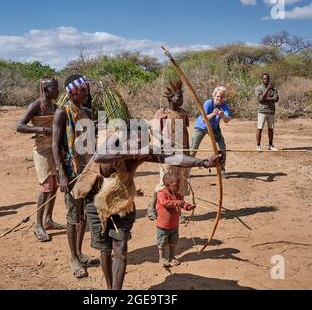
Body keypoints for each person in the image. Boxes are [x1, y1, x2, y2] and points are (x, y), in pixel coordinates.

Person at [71, 131, 224, 289]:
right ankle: (110, 288)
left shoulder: (142, 152)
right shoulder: (113, 144)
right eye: (136, 143)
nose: (140, 148)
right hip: (97, 202)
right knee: (105, 250)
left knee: (121, 247)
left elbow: (172, 157)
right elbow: (99, 157)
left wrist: (204, 162)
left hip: (123, 201)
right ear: (125, 140)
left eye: (143, 144)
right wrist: (131, 152)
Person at [52, 74, 97, 279]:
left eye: (87, 90)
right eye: (83, 90)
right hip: (71, 172)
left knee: (85, 214)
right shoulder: (62, 113)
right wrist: (61, 174)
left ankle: (79, 252)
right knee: (73, 216)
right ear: (72, 92)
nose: (87, 93)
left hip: (88, 169)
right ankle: (73, 258)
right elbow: (55, 145)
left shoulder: (86, 111)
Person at [16, 77, 66, 242]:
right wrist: (41, 129)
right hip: (41, 152)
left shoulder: (54, 106)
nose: (58, 92)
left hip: (54, 150)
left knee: (53, 188)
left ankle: (48, 220)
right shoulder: (36, 105)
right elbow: (19, 126)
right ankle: (38, 225)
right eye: (55, 89)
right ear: (45, 90)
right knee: (45, 188)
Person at [148, 78, 190, 223]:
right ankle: (153, 207)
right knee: (164, 181)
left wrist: (188, 152)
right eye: (179, 96)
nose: (182, 99)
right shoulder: (162, 113)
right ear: (171, 97)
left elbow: (185, 133)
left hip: (183, 152)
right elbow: (153, 131)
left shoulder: (183, 113)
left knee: (182, 181)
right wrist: (166, 143)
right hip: (167, 154)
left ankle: (179, 210)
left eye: (182, 96)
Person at [190, 86, 231, 176]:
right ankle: (186, 170)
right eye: (217, 96)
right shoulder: (208, 103)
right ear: (214, 96)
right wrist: (213, 113)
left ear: (224, 98)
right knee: (193, 147)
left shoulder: (224, 106)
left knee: (221, 147)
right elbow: (204, 119)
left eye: (221, 97)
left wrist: (222, 115)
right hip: (201, 127)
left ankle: (221, 169)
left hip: (214, 128)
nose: (219, 98)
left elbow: (227, 120)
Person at [156, 172, 195, 267]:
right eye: (175, 185)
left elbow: (182, 203)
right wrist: (177, 202)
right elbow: (164, 203)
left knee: (173, 242)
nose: (177, 187)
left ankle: (172, 257)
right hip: (163, 225)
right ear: (167, 184)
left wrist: (188, 206)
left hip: (174, 224)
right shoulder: (161, 194)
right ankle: (162, 258)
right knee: (162, 242)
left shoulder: (177, 195)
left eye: (179, 185)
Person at [256, 73, 279, 151]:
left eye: (267, 78)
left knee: (271, 129)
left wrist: (267, 98)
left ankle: (270, 145)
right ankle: (258, 145)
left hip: (271, 111)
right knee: (260, 128)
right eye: (265, 78)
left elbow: (276, 98)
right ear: (262, 79)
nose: (266, 80)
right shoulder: (258, 88)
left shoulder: (274, 88)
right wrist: (268, 89)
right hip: (262, 111)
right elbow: (261, 99)